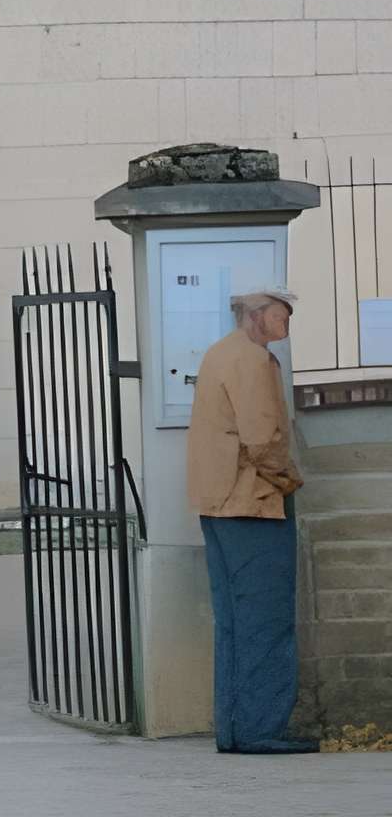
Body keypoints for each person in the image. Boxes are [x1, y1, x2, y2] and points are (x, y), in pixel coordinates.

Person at [187, 287, 315, 754]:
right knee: (267, 621)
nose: (287, 324)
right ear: (258, 315)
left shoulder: (220, 353)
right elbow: (263, 440)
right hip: (253, 503)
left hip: (219, 503)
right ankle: (262, 730)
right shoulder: (253, 361)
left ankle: (235, 729)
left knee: (234, 623)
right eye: (283, 314)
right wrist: (288, 481)